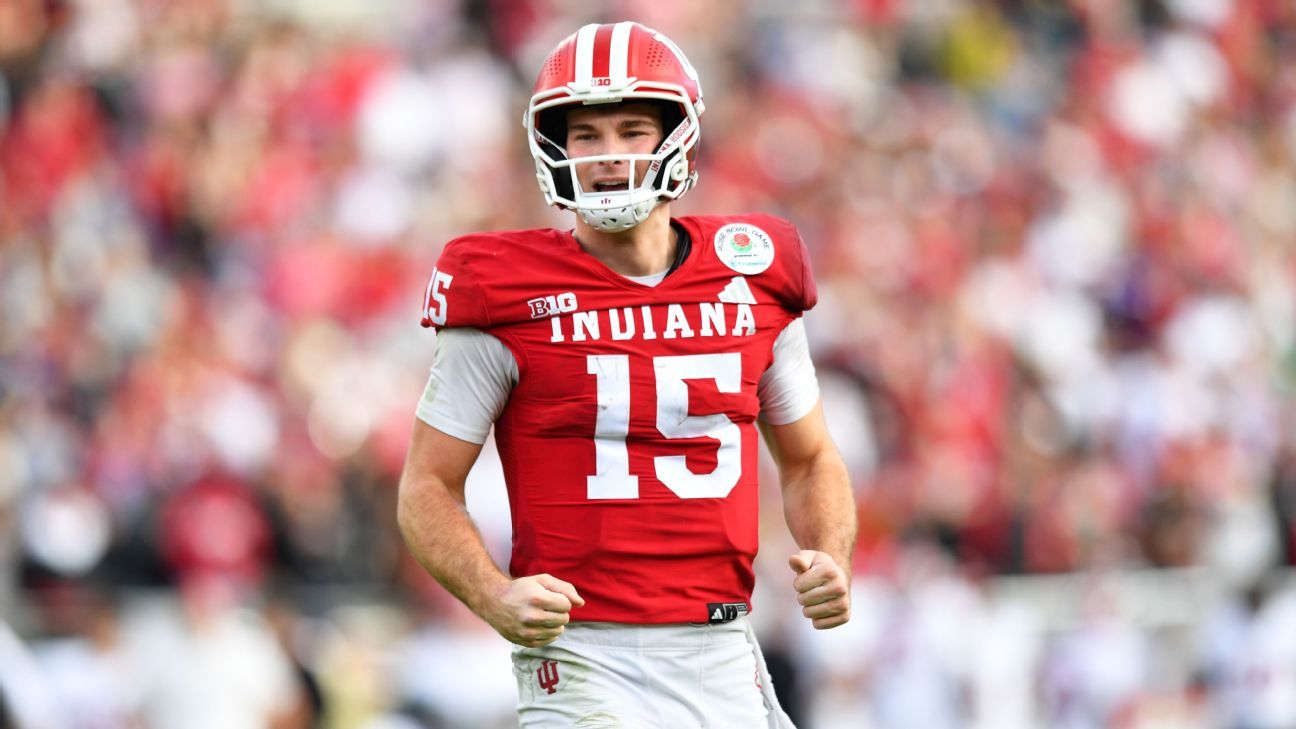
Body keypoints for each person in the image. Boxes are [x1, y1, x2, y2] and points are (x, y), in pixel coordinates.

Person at [397, 21, 856, 728]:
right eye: (586, 136)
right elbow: (426, 485)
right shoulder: (500, 288)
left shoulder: (754, 271)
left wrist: (830, 552)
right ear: (554, 147)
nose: (608, 155)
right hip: (584, 652)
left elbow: (810, 457)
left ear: (677, 136)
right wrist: (492, 593)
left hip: (723, 648)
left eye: (632, 130)